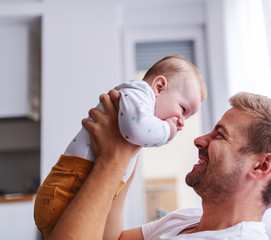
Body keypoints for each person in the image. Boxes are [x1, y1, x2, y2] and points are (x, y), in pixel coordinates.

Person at [48, 90, 271, 240]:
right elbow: (112, 239)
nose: (199, 140)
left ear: (261, 166)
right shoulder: (188, 220)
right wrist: (131, 142)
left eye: (219, 135)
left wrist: (112, 159)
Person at [34, 55, 207, 239]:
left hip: (77, 197)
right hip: (67, 189)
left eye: (186, 119)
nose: (181, 123)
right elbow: (136, 127)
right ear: (159, 87)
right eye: (183, 110)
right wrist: (167, 131)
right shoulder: (138, 93)